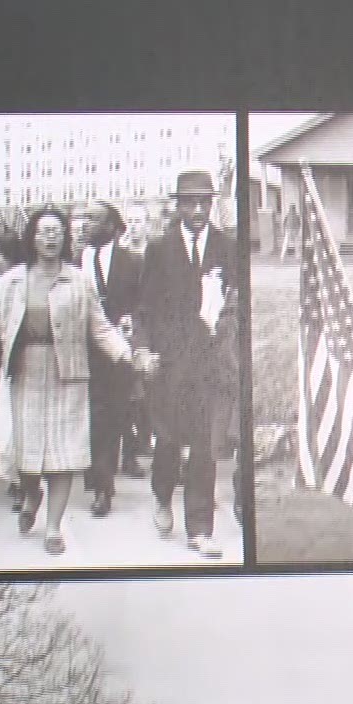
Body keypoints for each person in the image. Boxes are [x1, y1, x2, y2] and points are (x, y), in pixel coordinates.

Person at [0, 206, 143, 555]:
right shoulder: (13, 281)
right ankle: (32, 494)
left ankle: (52, 527)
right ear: (31, 237)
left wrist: (127, 354)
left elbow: (100, 327)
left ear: (65, 239)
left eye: (57, 231)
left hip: (69, 372)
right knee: (28, 449)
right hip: (26, 369)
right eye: (43, 231)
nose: (50, 237)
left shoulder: (79, 281)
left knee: (64, 452)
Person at [134, 170, 237, 559]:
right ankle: (162, 494)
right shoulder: (160, 249)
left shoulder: (227, 247)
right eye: (190, 202)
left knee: (204, 446)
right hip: (169, 362)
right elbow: (144, 309)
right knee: (169, 440)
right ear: (177, 206)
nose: (197, 210)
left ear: (212, 205)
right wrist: (142, 350)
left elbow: (237, 302)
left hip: (210, 364)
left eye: (204, 202)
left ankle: (199, 528)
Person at [78, 200, 146, 517]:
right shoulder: (74, 262)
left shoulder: (132, 262)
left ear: (111, 227)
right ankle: (99, 483)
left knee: (114, 416)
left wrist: (132, 324)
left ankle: (104, 483)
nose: (84, 225)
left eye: (92, 220)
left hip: (119, 351)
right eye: (83, 219)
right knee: (92, 417)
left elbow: (144, 303)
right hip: (82, 351)